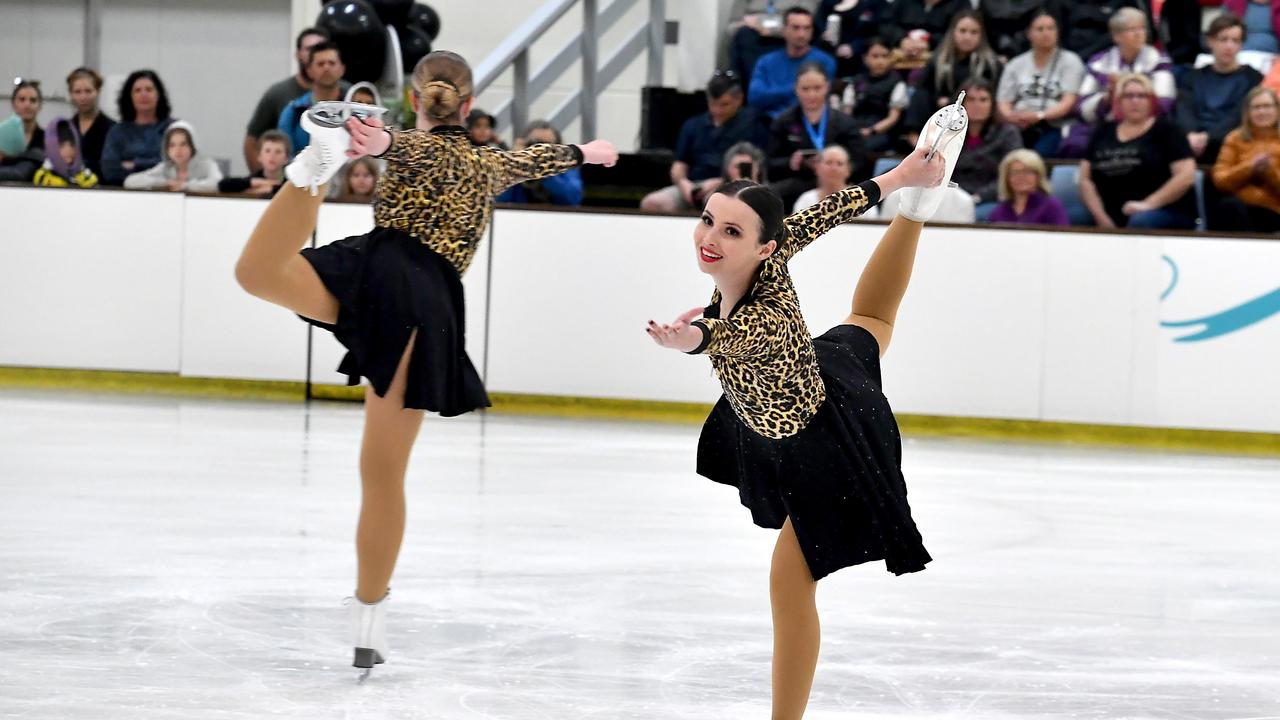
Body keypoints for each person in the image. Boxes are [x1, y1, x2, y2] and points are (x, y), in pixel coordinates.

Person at [232, 50, 618, 678]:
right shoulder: (490, 160)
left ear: (417, 99)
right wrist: (586, 152)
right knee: (382, 470)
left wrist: (375, 137)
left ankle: (312, 169)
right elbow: (537, 158)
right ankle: (369, 618)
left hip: (372, 268)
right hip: (423, 300)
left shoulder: (407, 141)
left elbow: (396, 144)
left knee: (257, 272)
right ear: (468, 108)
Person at [644, 99, 962, 720]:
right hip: (792, 399)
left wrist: (691, 335)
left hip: (826, 441)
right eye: (710, 221)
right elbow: (831, 208)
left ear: (762, 249)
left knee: (789, 586)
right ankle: (916, 212)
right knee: (871, 319)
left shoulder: (753, 320)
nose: (711, 238)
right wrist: (900, 177)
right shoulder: (777, 243)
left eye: (731, 233)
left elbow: (728, 339)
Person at [1079, 73, 1197, 229]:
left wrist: (1148, 204)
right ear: (1118, 101)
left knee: (1140, 222)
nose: (1135, 101)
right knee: (1075, 218)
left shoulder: (1168, 130)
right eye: (1128, 96)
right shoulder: (1103, 132)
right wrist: (1101, 217)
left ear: (1151, 101)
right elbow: (1085, 179)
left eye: (1142, 96)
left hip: (1163, 210)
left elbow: (1186, 177)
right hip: (1109, 212)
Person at [641, 71, 769, 213]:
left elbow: (755, 169)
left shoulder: (752, 125)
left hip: (732, 185)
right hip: (693, 185)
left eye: (724, 104)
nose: (717, 110)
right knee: (652, 203)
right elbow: (679, 165)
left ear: (739, 99)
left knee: (713, 203)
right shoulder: (693, 125)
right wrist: (685, 185)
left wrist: (721, 182)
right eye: (713, 104)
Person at [767, 62, 868, 210]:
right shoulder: (783, 122)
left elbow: (859, 160)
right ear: (796, 89)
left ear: (827, 87)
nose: (811, 95)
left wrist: (837, 163)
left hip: (837, 183)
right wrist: (791, 162)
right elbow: (769, 162)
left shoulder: (845, 123)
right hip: (798, 181)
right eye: (805, 89)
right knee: (771, 195)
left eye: (817, 88)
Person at [1174, 14, 1262, 165]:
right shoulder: (1193, 77)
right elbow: (1184, 108)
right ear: (1210, 41)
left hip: (1231, 142)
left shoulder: (1253, 78)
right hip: (1191, 140)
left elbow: (1239, 115)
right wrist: (1191, 134)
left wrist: (1208, 137)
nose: (1229, 46)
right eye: (1223, 39)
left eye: (1235, 41)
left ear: (1241, 45)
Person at [996, 11, 1086, 157]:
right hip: (1019, 124)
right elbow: (1003, 101)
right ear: (1029, 33)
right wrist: (1012, 117)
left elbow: (1069, 101)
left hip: (1054, 125)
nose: (1046, 33)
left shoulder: (1071, 61)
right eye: (1040, 29)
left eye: (1051, 28)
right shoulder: (1016, 64)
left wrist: (1039, 116)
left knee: (1039, 154)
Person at [903, 10, 1001, 142]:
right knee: (920, 94)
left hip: (972, 114)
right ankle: (915, 138)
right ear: (953, 32)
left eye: (974, 32)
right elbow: (925, 87)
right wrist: (939, 100)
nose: (967, 37)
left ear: (981, 35)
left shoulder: (990, 63)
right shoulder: (938, 59)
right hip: (940, 112)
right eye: (962, 31)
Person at [243, 27, 331, 172]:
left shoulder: (346, 93)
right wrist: (264, 179)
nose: (316, 54)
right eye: (310, 49)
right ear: (298, 54)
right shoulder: (278, 93)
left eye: (321, 48)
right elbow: (251, 142)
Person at [1074, 8, 1176, 130]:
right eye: (1132, 29)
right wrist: (1108, 97)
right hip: (1104, 126)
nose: (1139, 33)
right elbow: (1082, 107)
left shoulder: (1159, 60)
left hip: (1148, 126)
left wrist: (1126, 94)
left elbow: (1165, 102)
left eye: (1142, 28)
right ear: (1116, 36)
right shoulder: (1099, 63)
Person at [1210, 86, 1280, 232]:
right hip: (1239, 208)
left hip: (1275, 210)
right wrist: (1249, 168)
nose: (1261, 112)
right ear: (1247, 113)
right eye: (1256, 107)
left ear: (1277, 110)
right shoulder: (1234, 138)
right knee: (1228, 207)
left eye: (1267, 106)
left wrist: (1269, 172)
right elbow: (1220, 180)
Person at [952, 80, 1024, 219]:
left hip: (989, 199)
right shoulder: (949, 133)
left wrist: (978, 197)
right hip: (951, 197)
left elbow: (1011, 172)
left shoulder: (1007, 133)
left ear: (992, 104)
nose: (977, 105)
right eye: (971, 100)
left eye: (983, 100)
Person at [748, 7, 838, 118]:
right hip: (767, 123)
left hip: (805, 123)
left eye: (807, 28)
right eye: (796, 28)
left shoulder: (825, 62)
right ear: (784, 30)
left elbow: (814, 101)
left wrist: (772, 95)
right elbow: (755, 98)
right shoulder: (765, 62)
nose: (802, 34)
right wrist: (794, 90)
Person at [100, 70, 175, 186]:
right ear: (129, 97)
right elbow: (110, 171)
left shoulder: (173, 129)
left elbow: (177, 166)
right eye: (137, 90)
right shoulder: (117, 132)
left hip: (167, 193)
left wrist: (135, 163)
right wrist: (155, 167)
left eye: (149, 90)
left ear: (159, 95)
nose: (143, 94)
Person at [278, 41, 347, 157]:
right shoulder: (293, 112)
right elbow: (284, 159)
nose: (326, 68)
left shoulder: (353, 110)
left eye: (332, 63)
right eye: (320, 64)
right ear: (309, 71)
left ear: (342, 69)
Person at [845, 38, 910, 153]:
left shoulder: (896, 83)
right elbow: (847, 113)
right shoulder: (856, 82)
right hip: (855, 130)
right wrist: (853, 131)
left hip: (883, 134)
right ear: (865, 58)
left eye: (885, 56)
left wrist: (871, 131)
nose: (880, 61)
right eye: (875, 56)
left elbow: (893, 118)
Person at [497, 121, 583, 205]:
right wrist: (513, 164)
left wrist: (546, 169)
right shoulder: (513, 163)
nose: (542, 150)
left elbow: (573, 199)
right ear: (525, 144)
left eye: (549, 146)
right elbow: (499, 199)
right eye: (536, 144)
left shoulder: (567, 165)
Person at [122, 121, 223, 192]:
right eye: (172, 145)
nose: (178, 150)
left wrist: (185, 186)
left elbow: (218, 184)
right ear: (167, 149)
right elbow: (130, 181)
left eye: (183, 144)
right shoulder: (166, 167)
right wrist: (164, 183)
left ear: (192, 146)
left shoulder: (207, 164)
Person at [988, 148, 1070, 225]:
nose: (1021, 177)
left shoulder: (1051, 206)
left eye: (1028, 172)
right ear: (1007, 178)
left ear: (1038, 176)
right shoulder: (999, 211)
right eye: (1015, 173)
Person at [65, 68, 115, 180]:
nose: (83, 97)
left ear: (97, 91)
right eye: (77, 92)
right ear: (71, 94)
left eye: (88, 91)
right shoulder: (64, 128)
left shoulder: (112, 128)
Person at [219, 130, 291, 196]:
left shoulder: (292, 180)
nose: (272, 156)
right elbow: (223, 184)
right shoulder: (254, 178)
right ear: (259, 156)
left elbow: (296, 190)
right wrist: (258, 182)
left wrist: (271, 189)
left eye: (278, 152)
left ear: (286, 159)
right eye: (267, 151)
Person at [32, 117, 99, 189]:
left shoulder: (88, 178)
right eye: (62, 146)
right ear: (51, 148)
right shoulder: (42, 178)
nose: (68, 150)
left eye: (72, 145)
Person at [0, 79, 45, 183]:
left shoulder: (47, 139)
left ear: (40, 106)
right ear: (14, 104)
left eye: (33, 100)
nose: (27, 105)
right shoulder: (1, 136)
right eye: (22, 99)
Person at [791, 144, 852, 211]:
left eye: (839, 163)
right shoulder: (806, 200)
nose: (834, 168)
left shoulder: (859, 200)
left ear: (848, 170)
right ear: (817, 167)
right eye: (829, 162)